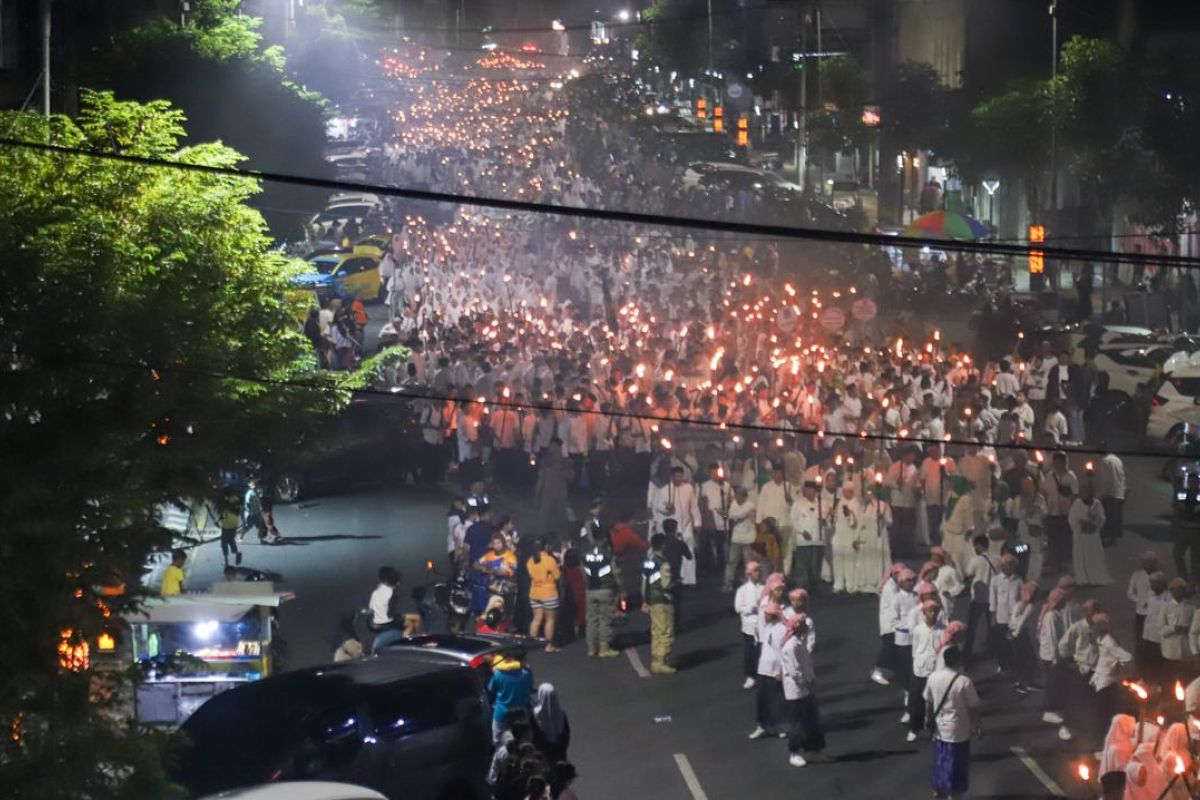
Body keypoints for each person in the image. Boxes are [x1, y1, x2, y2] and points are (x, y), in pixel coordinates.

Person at [924, 646, 981, 800]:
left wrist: (927, 719)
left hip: (939, 728)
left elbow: (928, 701)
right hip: (958, 730)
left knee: (940, 758)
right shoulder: (964, 682)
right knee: (956, 764)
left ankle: (938, 787)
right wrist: (976, 726)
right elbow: (974, 706)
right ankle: (953, 794)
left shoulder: (933, 678)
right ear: (958, 661)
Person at [781, 613, 826, 767]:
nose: (806, 626)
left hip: (806, 688)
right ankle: (795, 752)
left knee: (812, 721)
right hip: (797, 692)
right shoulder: (791, 646)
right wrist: (807, 683)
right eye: (802, 624)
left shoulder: (799, 643)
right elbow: (795, 671)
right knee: (797, 723)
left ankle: (814, 750)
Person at [908, 599, 947, 743]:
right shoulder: (918, 630)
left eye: (935, 611)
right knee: (916, 701)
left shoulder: (942, 630)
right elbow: (915, 648)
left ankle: (934, 730)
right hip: (919, 669)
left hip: (935, 670)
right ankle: (914, 728)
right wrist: (917, 663)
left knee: (936, 702)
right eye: (930, 610)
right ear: (924, 612)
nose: (933, 613)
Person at [749, 601, 788, 740]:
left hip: (775, 671)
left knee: (777, 700)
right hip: (763, 669)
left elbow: (783, 651)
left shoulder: (781, 629)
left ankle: (781, 726)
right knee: (762, 699)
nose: (764, 616)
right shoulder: (769, 627)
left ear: (773, 615)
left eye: (766, 614)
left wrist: (781, 670)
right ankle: (762, 726)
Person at [580, 531, 621, 658]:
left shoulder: (584, 554)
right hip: (605, 589)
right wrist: (620, 587)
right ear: (603, 539)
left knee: (591, 620)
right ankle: (604, 648)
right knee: (605, 619)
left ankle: (591, 649)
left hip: (590, 590)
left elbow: (582, 572)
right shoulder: (608, 554)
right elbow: (616, 573)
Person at [642, 533, 676, 674]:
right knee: (666, 631)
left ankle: (656, 659)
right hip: (663, 600)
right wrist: (677, 583)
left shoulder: (648, 561)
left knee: (656, 631)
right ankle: (661, 661)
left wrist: (645, 600)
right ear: (663, 545)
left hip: (652, 600)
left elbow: (644, 583)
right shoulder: (663, 563)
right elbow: (666, 584)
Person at [962, 535, 996, 663]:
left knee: (972, 626)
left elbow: (968, 572)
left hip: (978, 598)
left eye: (975, 546)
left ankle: (968, 653)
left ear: (979, 546)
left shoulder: (976, 560)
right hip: (991, 598)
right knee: (991, 626)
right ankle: (991, 649)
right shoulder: (996, 559)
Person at [789, 479, 826, 593]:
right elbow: (792, 520)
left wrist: (825, 522)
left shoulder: (822, 503)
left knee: (815, 568)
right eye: (807, 490)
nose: (810, 492)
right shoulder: (798, 504)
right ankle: (801, 591)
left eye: (812, 490)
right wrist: (802, 531)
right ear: (804, 491)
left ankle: (815, 590)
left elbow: (828, 520)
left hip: (818, 540)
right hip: (803, 541)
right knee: (802, 568)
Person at [489, 652, 534, 745]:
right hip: (521, 711)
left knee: (498, 741)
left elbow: (491, 689)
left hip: (502, 712)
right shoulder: (527, 673)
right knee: (524, 740)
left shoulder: (498, 674)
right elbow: (530, 688)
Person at [1070, 483, 1110, 586]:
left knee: (1094, 556)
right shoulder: (1077, 504)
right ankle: (1082, 579)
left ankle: (1095, 578)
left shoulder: (1097, 504)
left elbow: (1102, 518)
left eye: (1090, 492)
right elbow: (1072, 519)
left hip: (1093, 536)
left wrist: (1095, 520)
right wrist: (1081, 524)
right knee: (1081, 557)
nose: (1088, 494)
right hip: (1081, 535)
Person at [1159, 578, 1195, 690]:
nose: (1178, 592)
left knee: (1186, 679)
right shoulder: (1165, 607)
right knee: (1170, 679)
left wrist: (1187, 630)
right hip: (1170, 650)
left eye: (1181, 590)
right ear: (1171, 591)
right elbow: (1160, 629)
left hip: (1186, 649)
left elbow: (1195, 628)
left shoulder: (1191, 608)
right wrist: (1173, 629)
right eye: (1175, 590)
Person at [988, 554, 1022, 675]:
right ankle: (1003, 665)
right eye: (1002, 565)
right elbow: (993, 599)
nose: (1004, 567)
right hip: (1000, 617)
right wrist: (992, 616)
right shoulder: (995, 580)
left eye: (1007, 565)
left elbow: (1021, 600)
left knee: (1014, 643)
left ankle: (1015, 665)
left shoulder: (1018, 580)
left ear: (1013, 566)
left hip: (1014, 618)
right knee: (1001, 644)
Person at [735, 561, 764, 689]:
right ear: (749, 574)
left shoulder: (763, 589)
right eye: (755, 571)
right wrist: (750, 609)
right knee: (749, 653)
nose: (758, 573)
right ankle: (750, 676)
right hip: (748, 627)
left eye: (758, 571)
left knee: (762, 652)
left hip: (762, 626)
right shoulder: (742, 590)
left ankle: (762, 675)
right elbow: (737, 608)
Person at [724, 485, 758, 591]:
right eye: (736, 495)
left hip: (749, 538)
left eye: (738, 496)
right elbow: (732, 514)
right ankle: (728, 582)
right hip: (736, 538)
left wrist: (729, 515)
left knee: (749, 562)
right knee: (732, 561)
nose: (736, 498)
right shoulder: (734, 504)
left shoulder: (750, 506)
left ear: (744, 496)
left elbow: (740, 515)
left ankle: (750, 582)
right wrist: (730, 515)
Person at [531, 683, 571, 763]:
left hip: (540, 758)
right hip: (559, 756)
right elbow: (566, 734)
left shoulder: (533, 714)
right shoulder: (561, 714)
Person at [1096, 447, 1126, 546]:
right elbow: (1122, 476)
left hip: (1109, 494)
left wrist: (1102, 494)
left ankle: (1103, 538)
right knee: (1115, 517)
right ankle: (1113, 539)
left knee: (1106, 517)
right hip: (1119, 492)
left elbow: (1106, 480)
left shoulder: (1105, 461)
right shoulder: (1118, 460)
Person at [212, 488, 243, 567]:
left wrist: (218, 521)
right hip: (234, 524)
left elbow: (223, 514)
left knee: (224, 543)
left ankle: (226, 561)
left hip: (226, 525)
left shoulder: (225, 502)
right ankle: (236, 553)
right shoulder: (236, 499)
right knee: (231, 540)